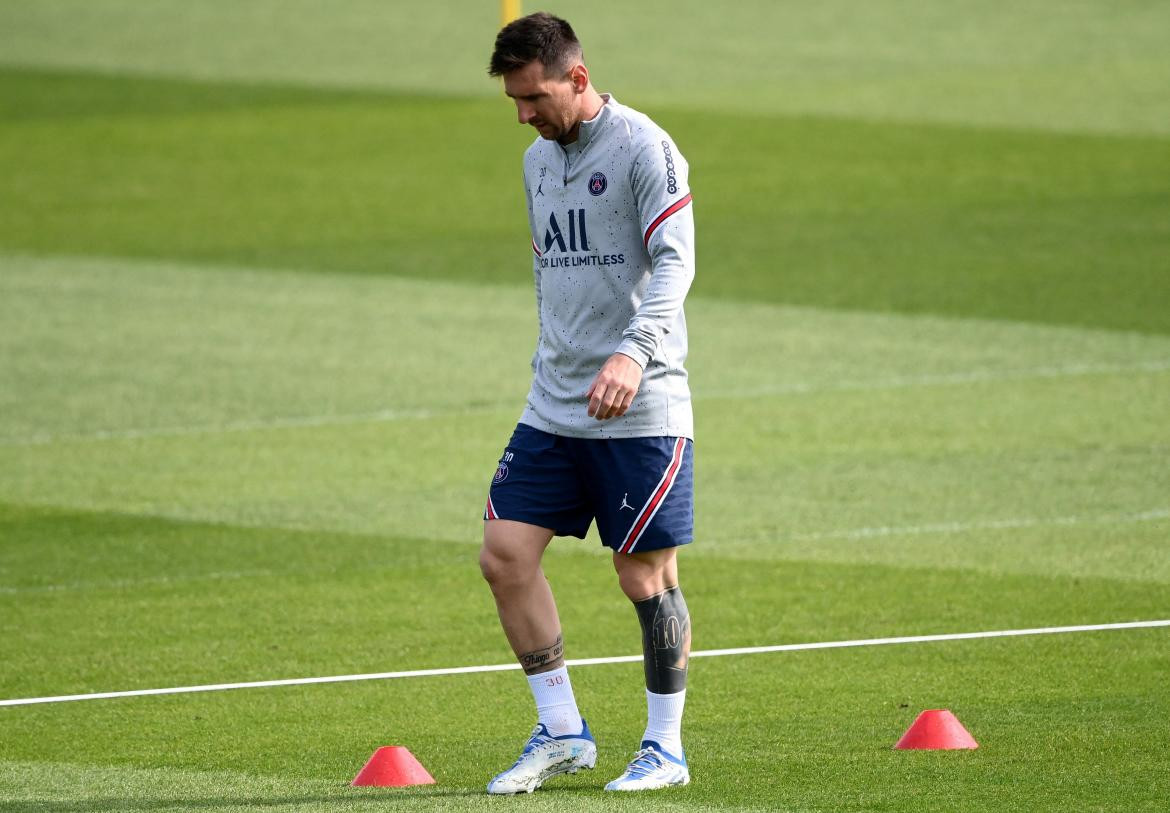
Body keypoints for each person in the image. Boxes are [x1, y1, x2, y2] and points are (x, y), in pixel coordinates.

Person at [480, 12, 697, 794]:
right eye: (513, 101)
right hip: (555, 405)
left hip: (640, 404)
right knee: (504, 555)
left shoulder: (645, 147)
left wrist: (630, 356)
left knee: (643, 574)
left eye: (533, 96)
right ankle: (563, 730)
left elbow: (676, 264)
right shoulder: (538, 162)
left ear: (577, 77)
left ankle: (664, 749)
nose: (523, 115)